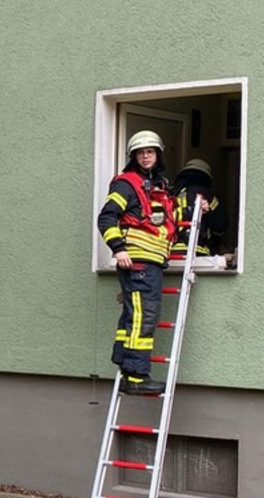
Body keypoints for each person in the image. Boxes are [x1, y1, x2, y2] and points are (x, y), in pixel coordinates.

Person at [97, 130, 178, 395]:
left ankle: (126, 366)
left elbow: (169, 217)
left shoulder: (158, 185)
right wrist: (118, 249)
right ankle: (137, 378)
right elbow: (106, 218)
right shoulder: (126, 184)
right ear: (133, 156)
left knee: (134, 316)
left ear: (158, 155)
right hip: (138, 262)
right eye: (141, 153)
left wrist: (196, 209)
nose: (145, 156)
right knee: (145, 317)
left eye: (150, 152)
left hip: (150, 262)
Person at [171, 158, 226, 260]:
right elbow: (220, 225)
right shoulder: (206, 194)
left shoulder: (171, 194)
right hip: (197, 251)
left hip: (170, 251)